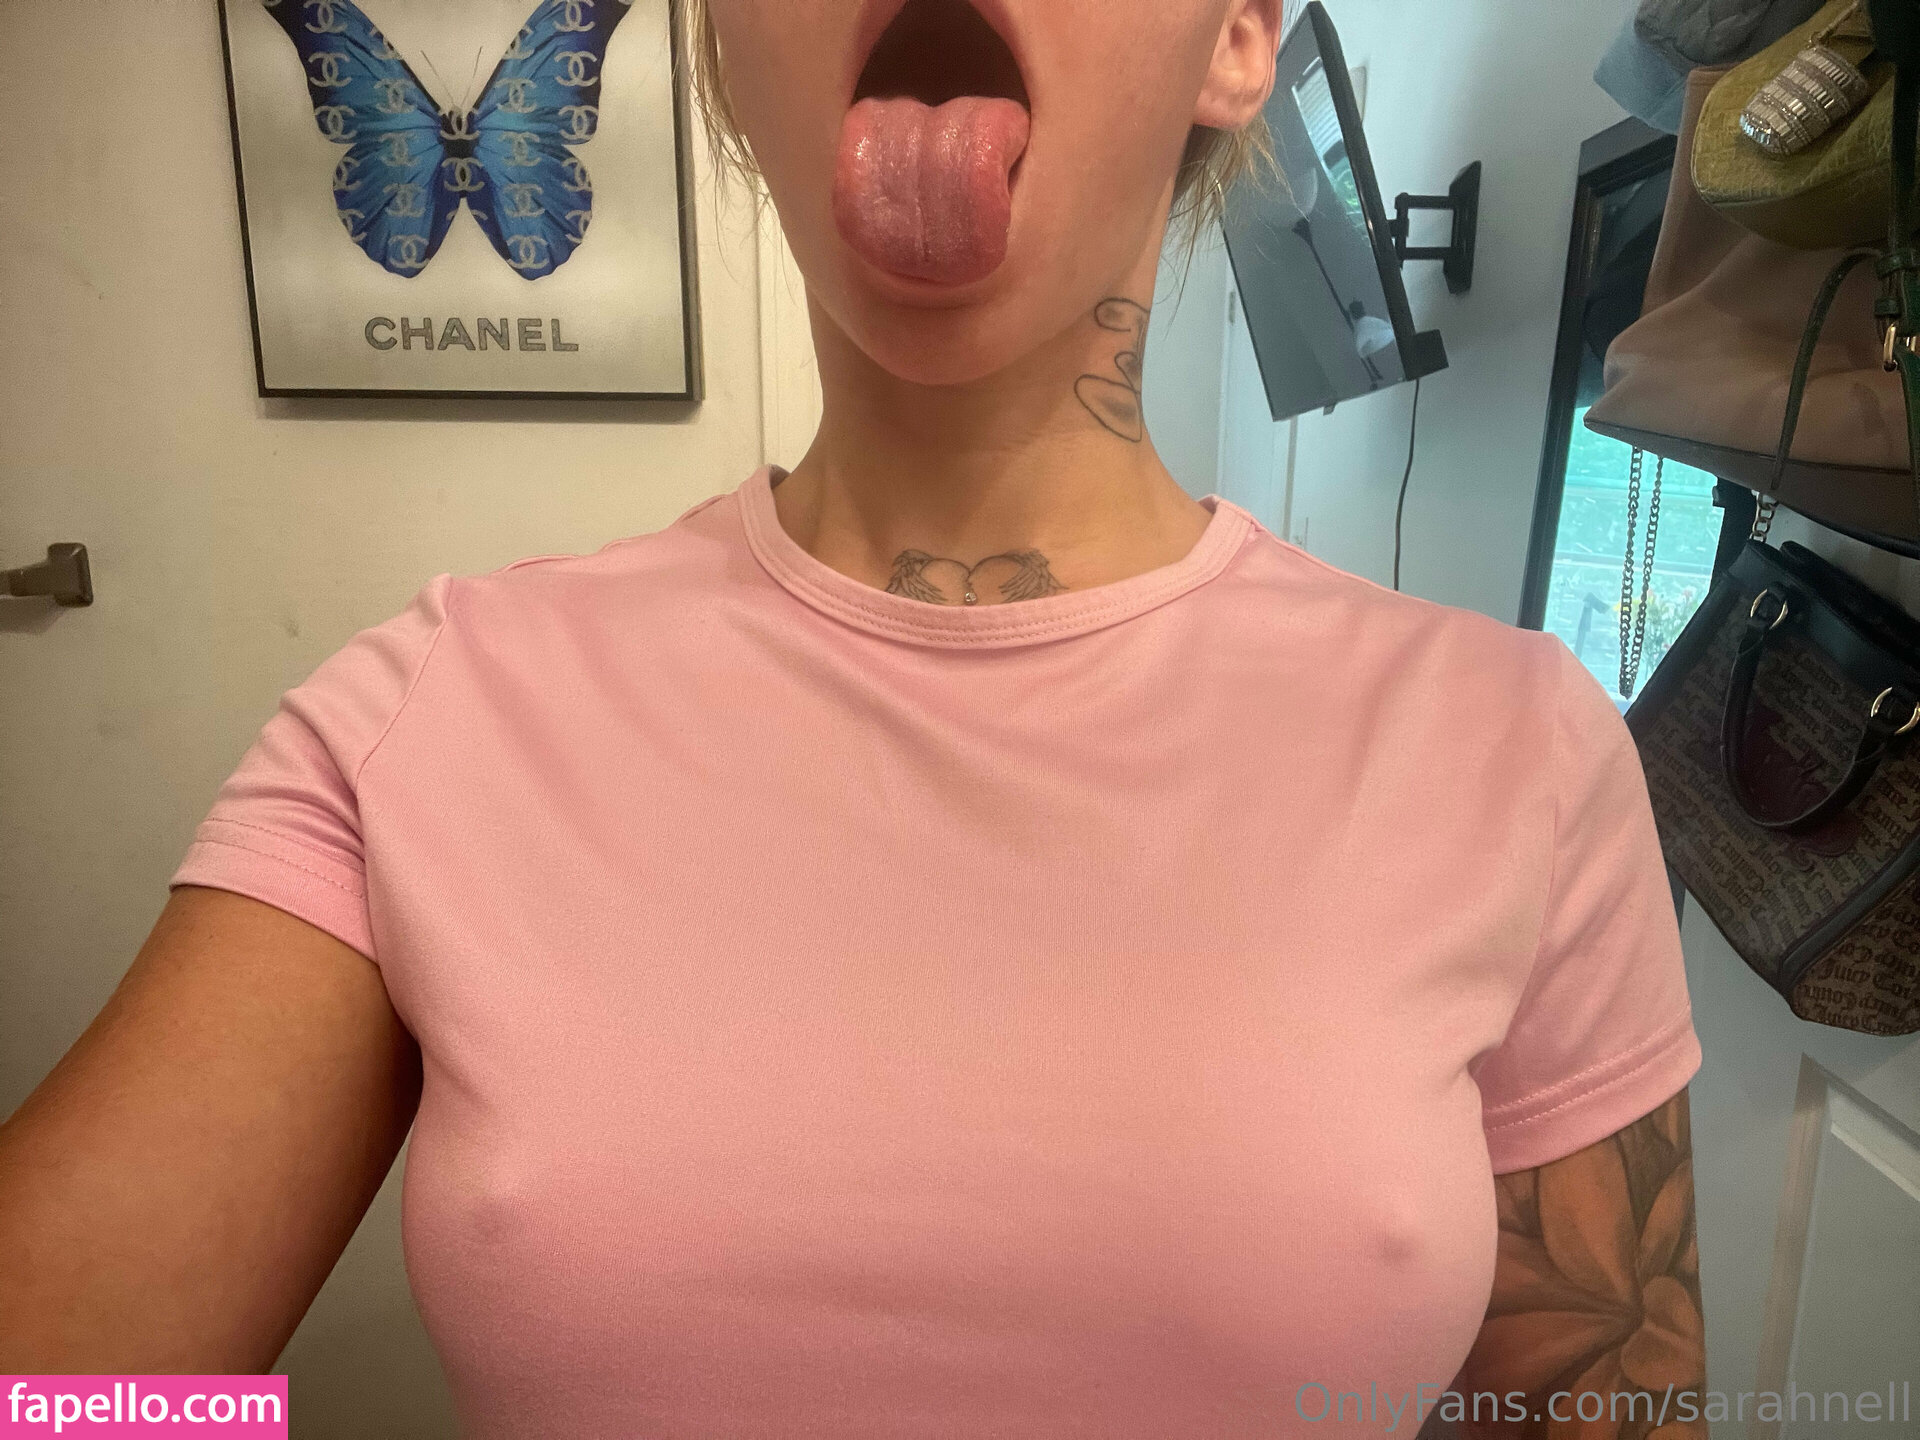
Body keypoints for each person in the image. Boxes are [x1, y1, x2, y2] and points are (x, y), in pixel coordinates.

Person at [0, 0, 1706, 1433]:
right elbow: (70, 1400)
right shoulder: (428, 718)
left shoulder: (1515, 751)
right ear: (724, 48)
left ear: (1236, 39)